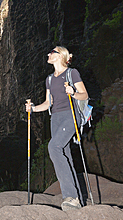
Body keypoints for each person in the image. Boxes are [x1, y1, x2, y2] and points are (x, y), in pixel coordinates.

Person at [25, 46, 88, 211]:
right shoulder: (50, 79)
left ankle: (71, 196)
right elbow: (48, 103)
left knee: (53, 147)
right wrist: (33, 109)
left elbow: (84, 95)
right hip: (56, 118)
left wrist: (73, 92)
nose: (48, 54)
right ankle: (78, 200)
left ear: (61, 56)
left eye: (52, 52)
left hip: (71, 115)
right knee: (64, 155)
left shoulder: (71, 73)